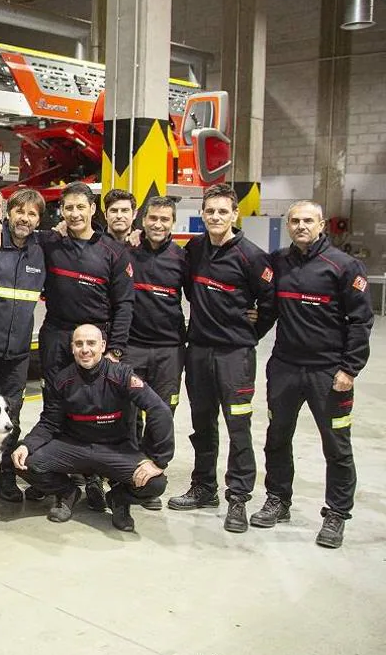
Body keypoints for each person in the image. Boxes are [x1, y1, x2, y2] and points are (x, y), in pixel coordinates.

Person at [251, 200, 373, 549]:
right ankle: (278, 500)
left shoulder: (345, 266)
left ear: (321, 224)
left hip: (328, 373)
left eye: (308, 220)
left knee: (336, 445)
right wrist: (247, 331)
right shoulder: (279, 263)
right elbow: (268, 308)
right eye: (294, 221)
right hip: (285, 367)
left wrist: (349, 369)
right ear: (288, 225)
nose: (301, 226)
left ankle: (336, 514)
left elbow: (361, 322)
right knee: (277, 437)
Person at [167, 183, 275, 534]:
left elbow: (271, 304)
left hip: (235, 357)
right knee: (202, 425)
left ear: (235, 214)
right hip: (198, 351)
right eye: (210, 211)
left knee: (238, 428)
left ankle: (239, 498)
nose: (215, 217)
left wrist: (248, 335)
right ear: (202, 215)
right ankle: (204, 487)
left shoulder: (253, 256)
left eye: (222, 211)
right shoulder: (195, 248)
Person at [12, 324, 173, 533]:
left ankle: (118, 499)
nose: (85, 349)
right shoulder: (62, 380)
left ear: (103, 346)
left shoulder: (122, 375)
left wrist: (159, 460)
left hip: (115, 449)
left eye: (91, 343)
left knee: (155, 484)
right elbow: (49, 422)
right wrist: (27, 445)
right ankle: (67, 493)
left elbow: (159, 410)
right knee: (22, 461)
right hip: (74, 448)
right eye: (79, 344)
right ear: (72, 348)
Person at [34, 181, 134, 510]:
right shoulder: (50, 243)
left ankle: (95, 475)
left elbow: (124, 305)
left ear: (93, 209)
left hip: (96, 340)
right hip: (56, 336)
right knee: (56, 405)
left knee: (94, 408)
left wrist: (114, 349)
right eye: (68, 208)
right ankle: (66, 482)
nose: (75, 213)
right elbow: (15, 234)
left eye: (81, 207)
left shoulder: (113, 252)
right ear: (60, 212)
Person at [0, 187, 46, 504]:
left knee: (11, 418)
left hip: (18, 354)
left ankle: (3, 476)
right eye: (20, 211)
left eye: (32, 214)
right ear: (8, 213)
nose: (25, 219)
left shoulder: (41, 249)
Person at [123, 195, 188, 511]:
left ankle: (150, 482)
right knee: (128, 414)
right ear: (142, 220)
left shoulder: (182, 258)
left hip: (169, 350)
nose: (158, 224)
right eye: (153, 218)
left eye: (165, 219)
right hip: (132, 346)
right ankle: (127, 474)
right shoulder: (128, 251)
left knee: (162, 415)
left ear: (173, 223)